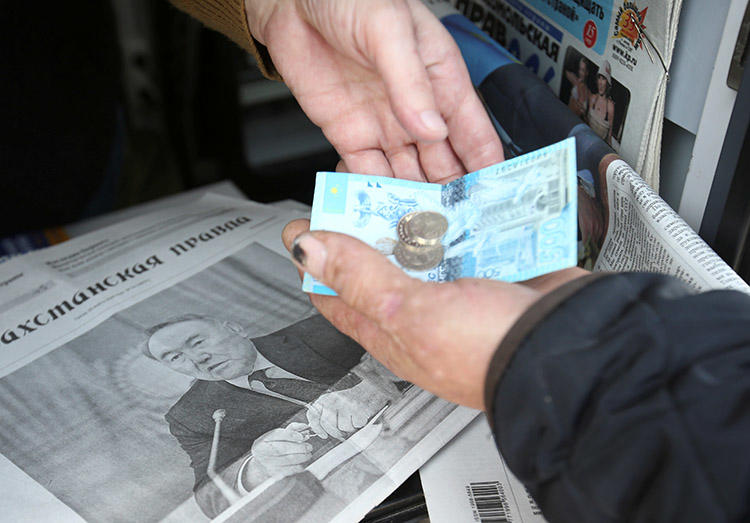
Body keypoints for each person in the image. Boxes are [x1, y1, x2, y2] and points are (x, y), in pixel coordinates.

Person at [144, 313, 401, 517]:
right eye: (176, 357)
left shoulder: (320, 329)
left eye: (198, 342)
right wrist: (257, 468)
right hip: (358, 490)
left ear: (234, 328)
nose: (198, 359)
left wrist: (370, 384)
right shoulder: (191, 415)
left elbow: (413, 340)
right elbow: (212, 496)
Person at [587, 60, 615, 145]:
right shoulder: (593, 98)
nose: (600, 83)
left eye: (603, 79)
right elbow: (586, 122)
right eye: (599, 78)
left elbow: (609, 136)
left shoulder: (610, 106)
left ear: (607, 83)